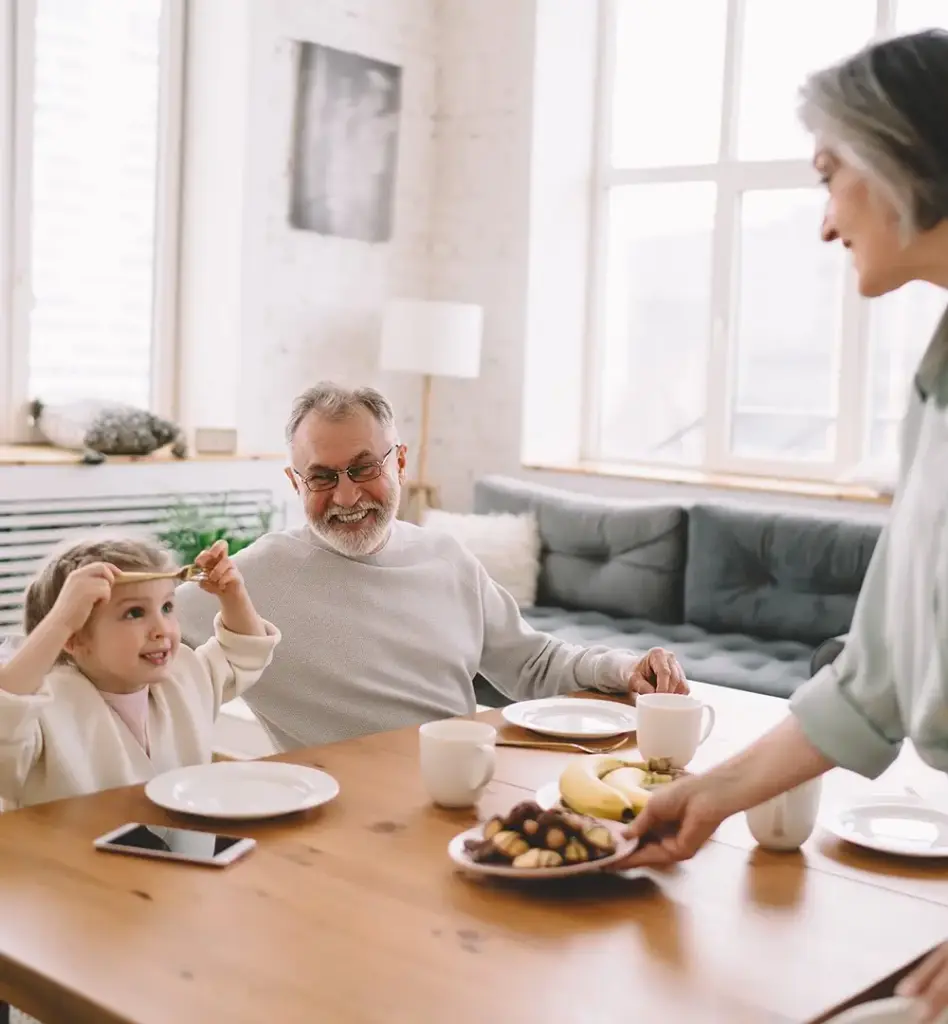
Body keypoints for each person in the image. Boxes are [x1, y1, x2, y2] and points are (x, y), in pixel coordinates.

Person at [619, 29, 948, 1022]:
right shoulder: (933, 388)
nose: (822, 223)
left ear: (900, 161)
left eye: (828, 174)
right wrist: (707, 794)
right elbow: (874, 676)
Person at [175, 382, 688, 753]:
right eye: (322, 477)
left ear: (399, 462)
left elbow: (533, 664)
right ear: (296, 483)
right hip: (340, 820)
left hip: (459, 789)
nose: (347, 495)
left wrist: (623, 668)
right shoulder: (256, 576)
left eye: (363, 468)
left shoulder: (448, 559)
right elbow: (140, 628)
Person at [0, 536, 280, 808]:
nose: (162, 629)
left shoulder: (185, 674)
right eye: (134, 613)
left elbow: (244, 651)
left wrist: (233, 595)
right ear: (73, 638)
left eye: (167, 607)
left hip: (178, 849)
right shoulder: (42, 708)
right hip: (64, 854)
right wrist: (59, 622)